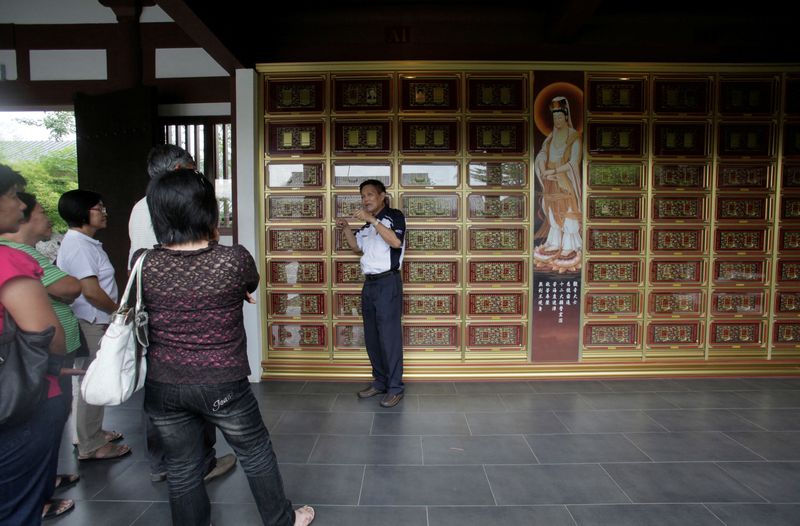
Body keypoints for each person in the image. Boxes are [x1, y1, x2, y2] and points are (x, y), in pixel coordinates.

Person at [135, 169, 314, 526]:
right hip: (223, 381)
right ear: (207, 211)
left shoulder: (143, 262)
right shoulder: (232, 259)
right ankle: (281, 520)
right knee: (255, 452)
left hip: (164, 384)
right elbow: (249, 283)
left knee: (183, 467)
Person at [128, 144, 235, 483]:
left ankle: (163, 463)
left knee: (160, 387)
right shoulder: (180, 207)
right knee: (198, 381)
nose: (195, 174)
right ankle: (200, 462)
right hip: (183, 313)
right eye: (191, 167)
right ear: (177, 171)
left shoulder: (139, 207)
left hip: (152, 311)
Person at [0, 192, 84, 520]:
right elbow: (48, 335)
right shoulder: (9, 260)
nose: (20, 205)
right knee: (17, 509)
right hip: (21, 397)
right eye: (10, 195)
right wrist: (58, 363)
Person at [56, 189, 131, 461]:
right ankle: (91, 444)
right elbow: (91, 291)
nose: (104, 212)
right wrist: (119, 312)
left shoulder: (86, 243)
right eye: (98, 208)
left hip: (96, 319)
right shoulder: (78, 245)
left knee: (92, 378)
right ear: (82, 212)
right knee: (93, 380)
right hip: (91, 321)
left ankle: (92, 433)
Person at [335, 179, 406, 408]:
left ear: (382, 195)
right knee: (373, 337)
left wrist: (373, 220)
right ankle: (380, 382)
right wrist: (346, 228)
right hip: (370, 285)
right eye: (363, 196)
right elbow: (357, 248)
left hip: (388, 283)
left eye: (370, 195)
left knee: (389, 337)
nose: (366, 199)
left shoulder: (393, 216)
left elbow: (395, 242)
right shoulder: (366, 226)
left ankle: (395, 388)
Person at [533, 95, 583, 272]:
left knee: (568, 210)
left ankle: (570, 246)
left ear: (567, 116)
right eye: (555, 117)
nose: (557, 120)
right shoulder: (551, 137)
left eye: (560, 117)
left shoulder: (574, 137)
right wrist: (543, 167)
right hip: (551, 181)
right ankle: (554, 242)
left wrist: (553, 171)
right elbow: (541, 154)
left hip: (565, 181)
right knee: (552, 211)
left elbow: (573, 162)